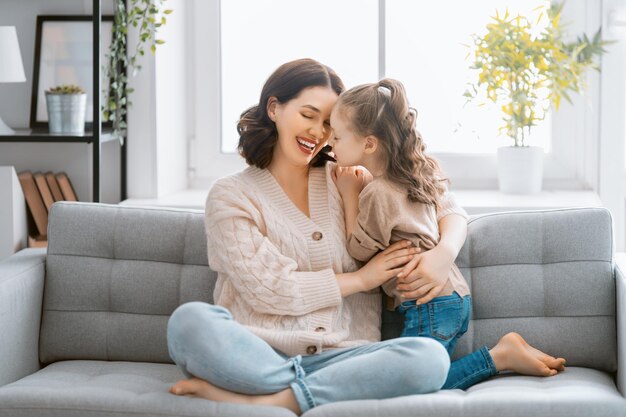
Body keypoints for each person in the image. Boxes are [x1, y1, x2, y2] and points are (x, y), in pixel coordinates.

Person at [166, 59, 563, 415]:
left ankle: (276, 398)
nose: (319, 134)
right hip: (258, 350)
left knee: (427, 358)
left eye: (329, 124)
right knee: (189, 322)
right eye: (308, 115)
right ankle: (310, 390)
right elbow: (268, 289)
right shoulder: (231, 194)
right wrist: (363, 279)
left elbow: (444, 204)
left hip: (352, 357)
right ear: (274, 108)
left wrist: (443, 253)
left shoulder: (351, 175)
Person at [329, 77, 567, 389]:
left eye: (337, 136)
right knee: (421, 376)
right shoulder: (414, 175)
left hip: (428, 304)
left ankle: (500, 357)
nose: (330, 143)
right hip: (451, 298)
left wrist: (349, 193)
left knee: (414, 384)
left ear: (369, 144)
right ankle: (502, 355)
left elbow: (359, 249)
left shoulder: (377, 192)